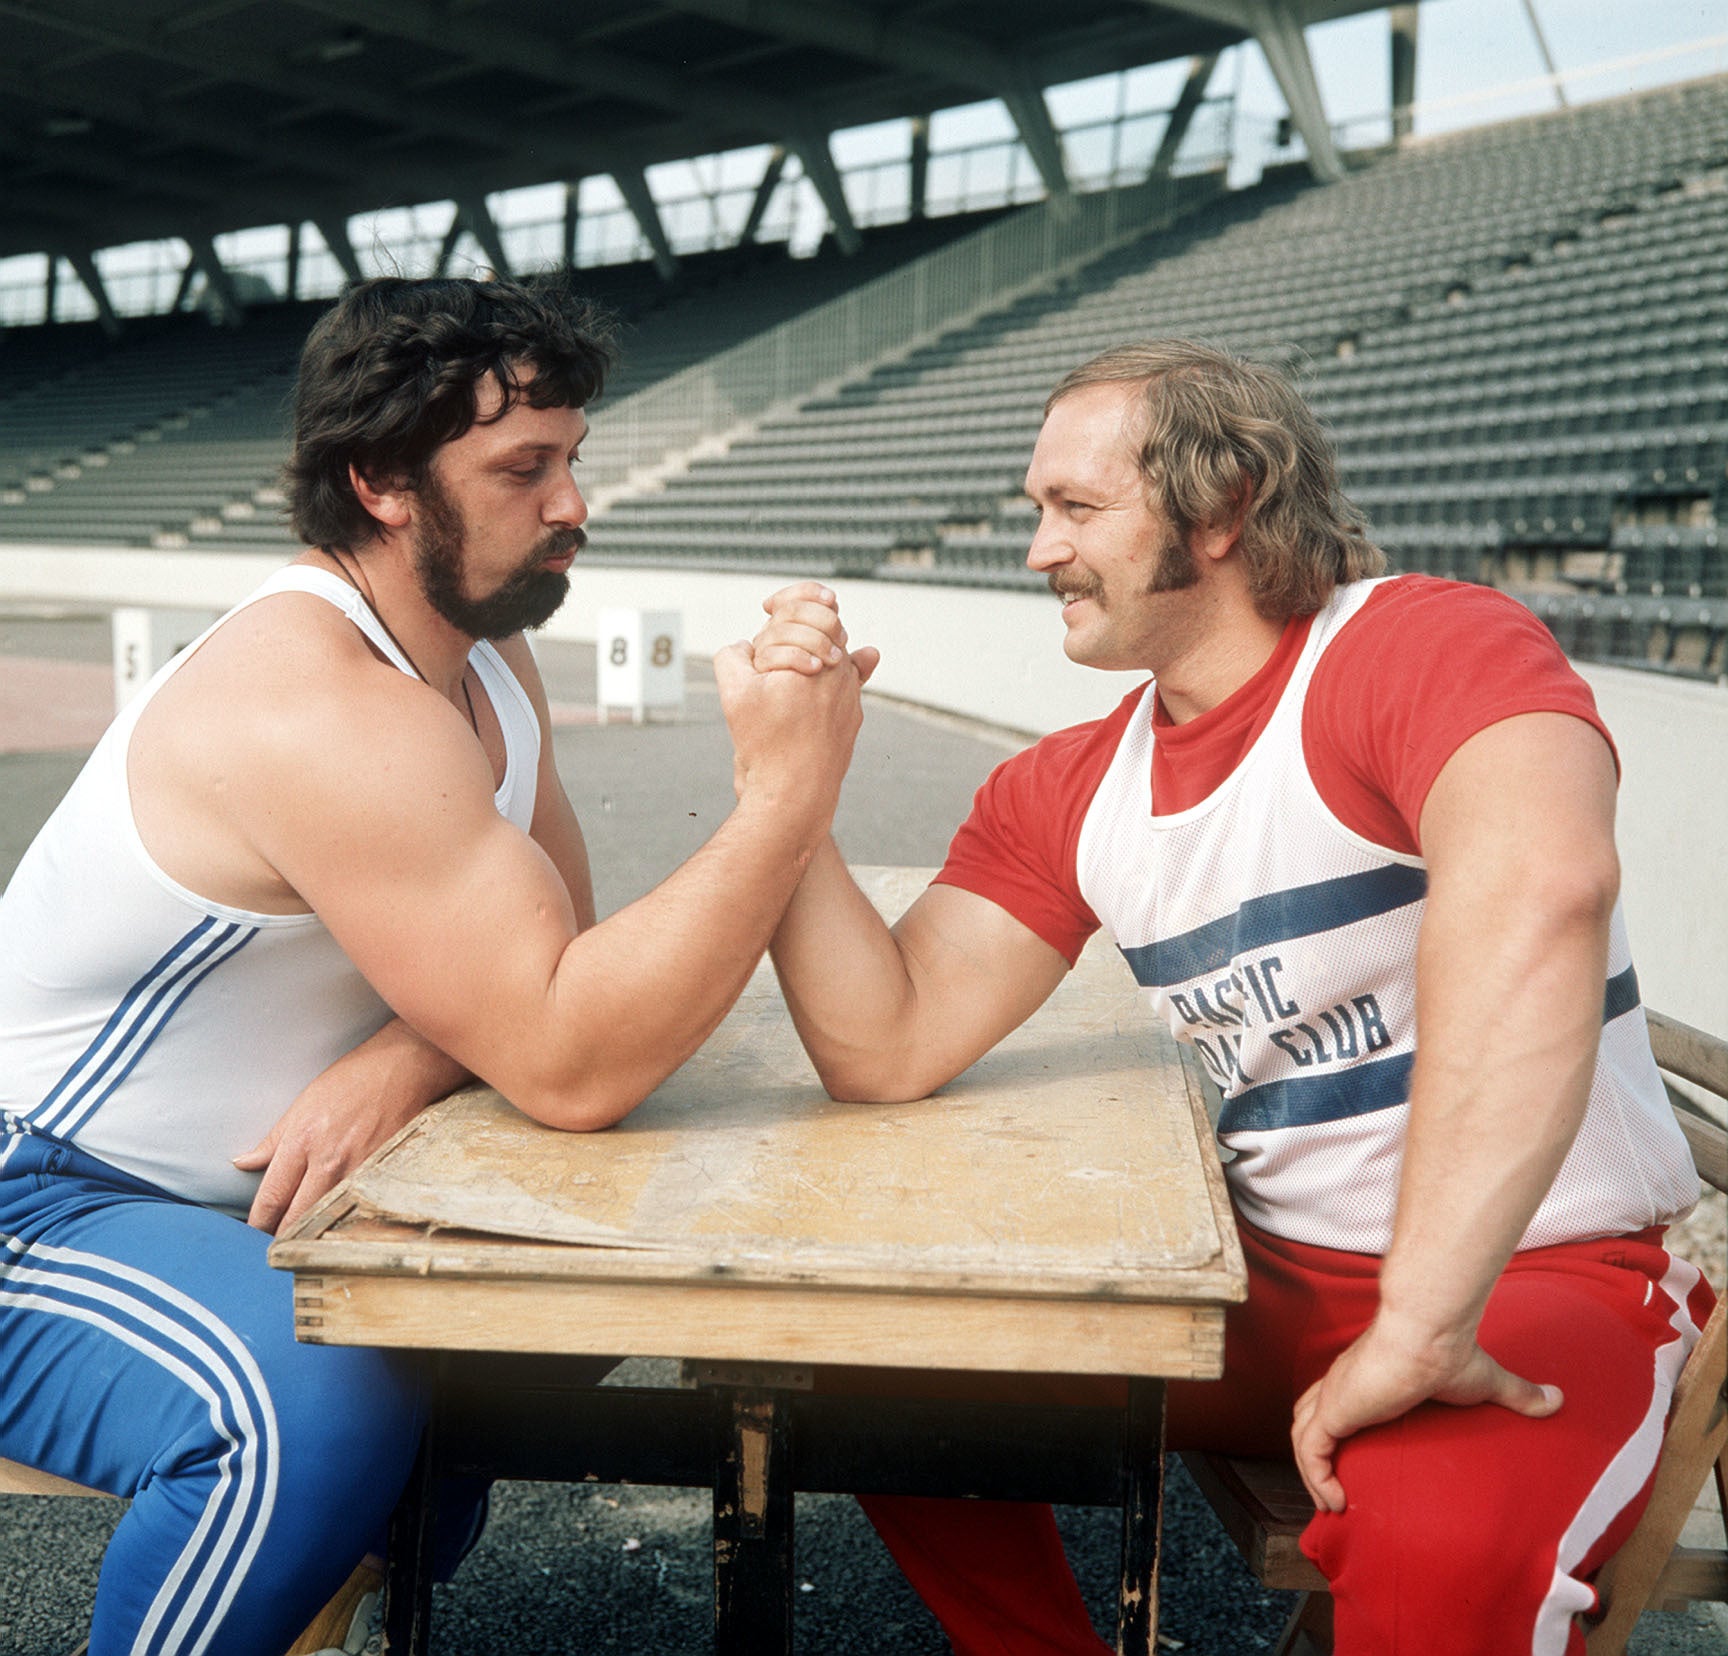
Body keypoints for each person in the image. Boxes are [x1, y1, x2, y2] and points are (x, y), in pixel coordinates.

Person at [748, 340, 1712, 1656]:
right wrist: (785, 800)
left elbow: (1548, 884)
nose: (1037, 552)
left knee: (1439, 1556)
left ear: (1227, 501)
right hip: (1258, 1289)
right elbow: (887, 1042)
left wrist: (1423, 1323)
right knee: (877, 1367)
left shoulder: (1416, 645)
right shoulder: (1073, 787)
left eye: (1076, 510)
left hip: (1529, 1278)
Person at [0, 274, 872, 1656]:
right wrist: (784, 799)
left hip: (198, 1201)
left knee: (534, 1307)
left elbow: (561, 950)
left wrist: (410, 1050)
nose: (573, 502)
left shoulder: (487, 657)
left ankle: (326, 1593)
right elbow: (575, 1055)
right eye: (524, 468)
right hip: (34, 1195)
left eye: (573, 460)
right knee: (300, 1401)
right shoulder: (318, 702)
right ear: (383, 484)